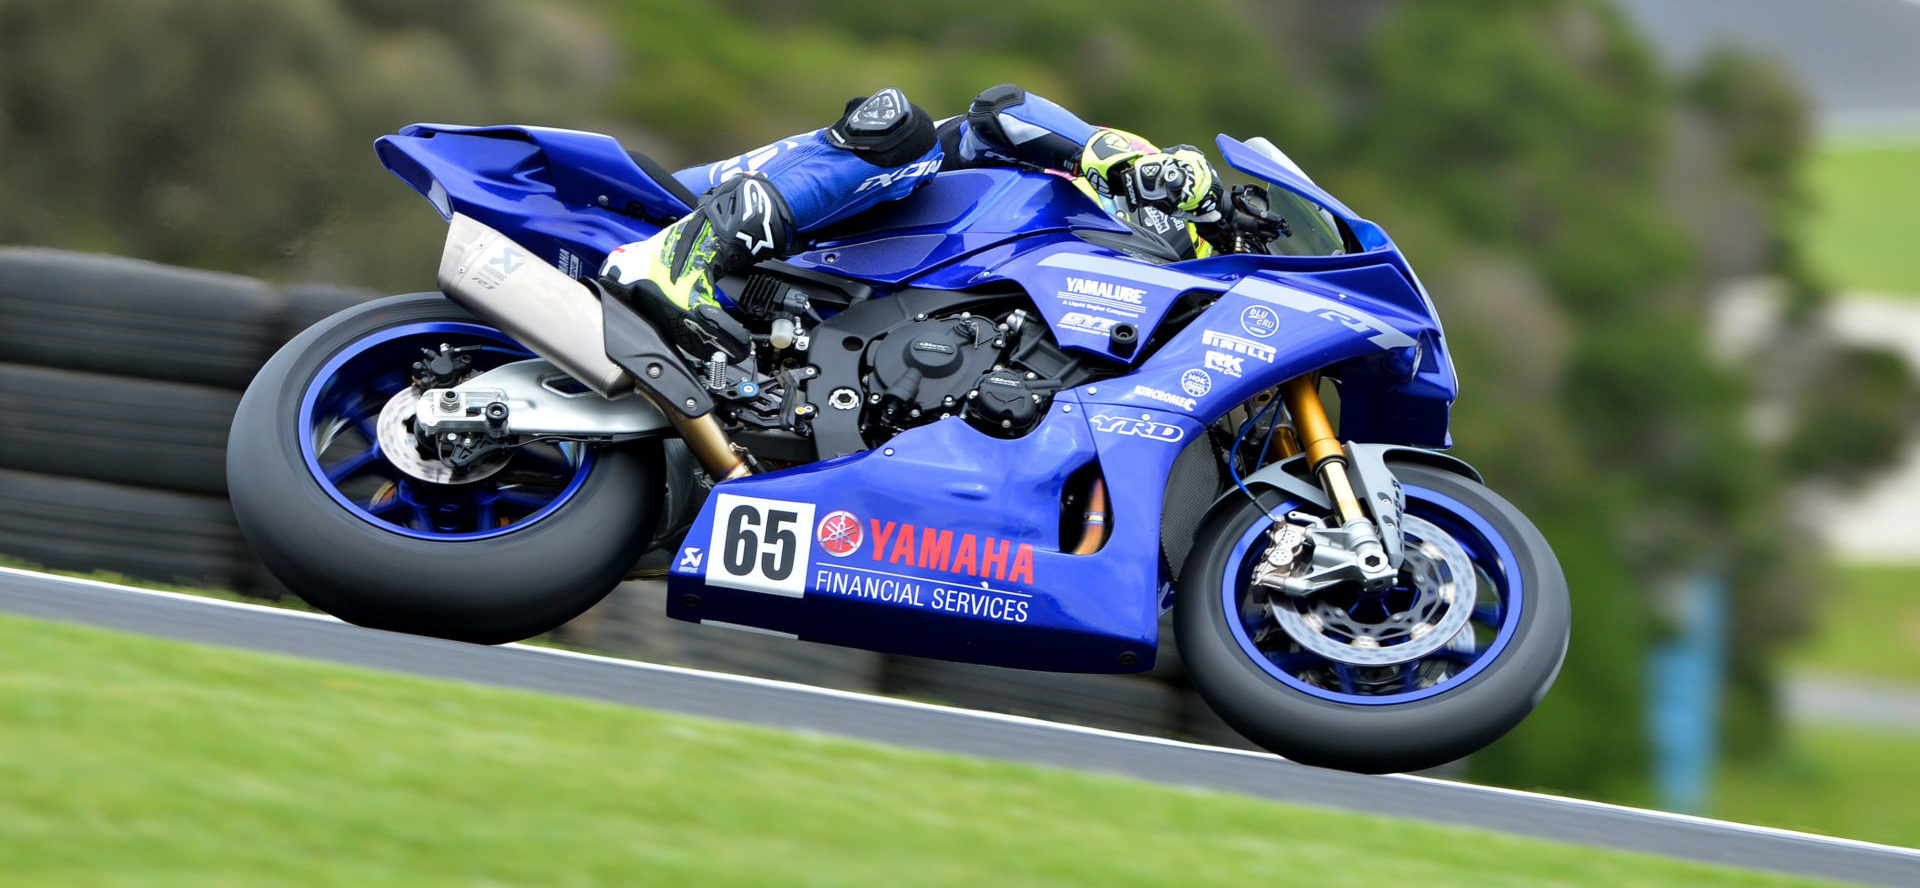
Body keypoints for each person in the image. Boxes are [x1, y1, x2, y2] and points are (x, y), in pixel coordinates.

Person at [600, 84, 1225, 360]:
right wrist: (1127, 163)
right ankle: (680, 259)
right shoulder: (1076, 181)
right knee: (906, 127)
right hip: (673, 206)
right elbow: (1001, 109)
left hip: (812, 306)